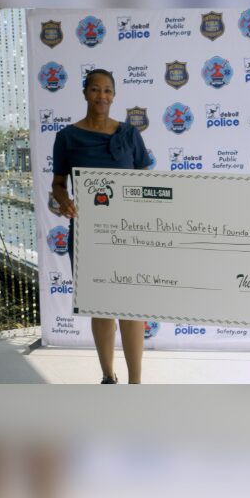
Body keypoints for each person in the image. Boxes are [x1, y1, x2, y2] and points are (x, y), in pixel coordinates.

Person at [51, 68, 151, 384]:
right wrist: (63, 201)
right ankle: (108, 375)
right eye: (95, 89)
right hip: (88, 236)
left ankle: (136, 382)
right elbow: (57, 184)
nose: (102, 96)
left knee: (133, 307)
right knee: (102, 307)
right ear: (84, 93)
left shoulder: (130, 135)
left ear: (114, 95)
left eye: (108, 90)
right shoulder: (67, 137)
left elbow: (146, 183)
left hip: (130, 234)